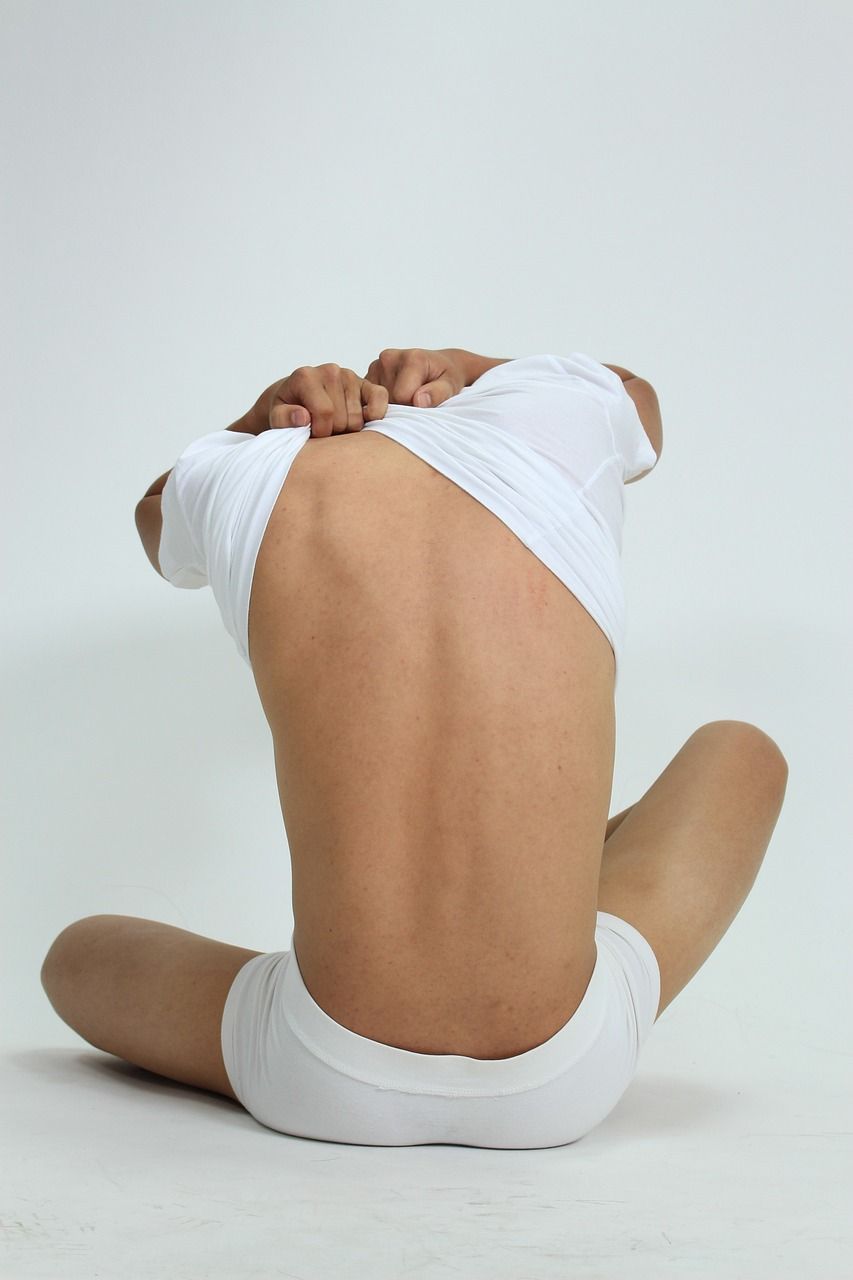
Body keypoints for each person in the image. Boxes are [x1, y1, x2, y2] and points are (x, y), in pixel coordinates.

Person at [41, 348, 788, 1148]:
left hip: (320, 1067)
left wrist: (258, 421)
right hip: (561, 1073)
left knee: (73, 956)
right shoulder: (561, 410)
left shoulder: (252, 474)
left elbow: (154, 517)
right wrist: (469, 364)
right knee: (741, 751)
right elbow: (639, 399)